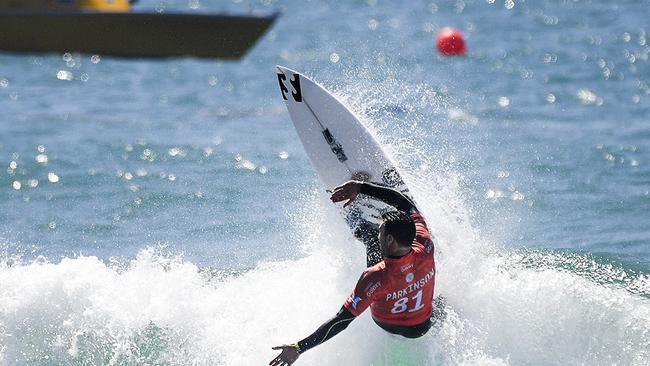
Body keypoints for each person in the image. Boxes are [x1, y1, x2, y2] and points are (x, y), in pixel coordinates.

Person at [269, 179, 437, 366]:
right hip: (423, 325)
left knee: (370, 238)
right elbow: (408, 205)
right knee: (439, 305)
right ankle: (440, 310)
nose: (380, 232)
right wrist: (362, 187)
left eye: (381, 231)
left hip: (389, 325)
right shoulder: (426, 245)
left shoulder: (375, 277)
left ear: (390, 239)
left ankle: (359, 225)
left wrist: (299, 347)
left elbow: (341, 320)